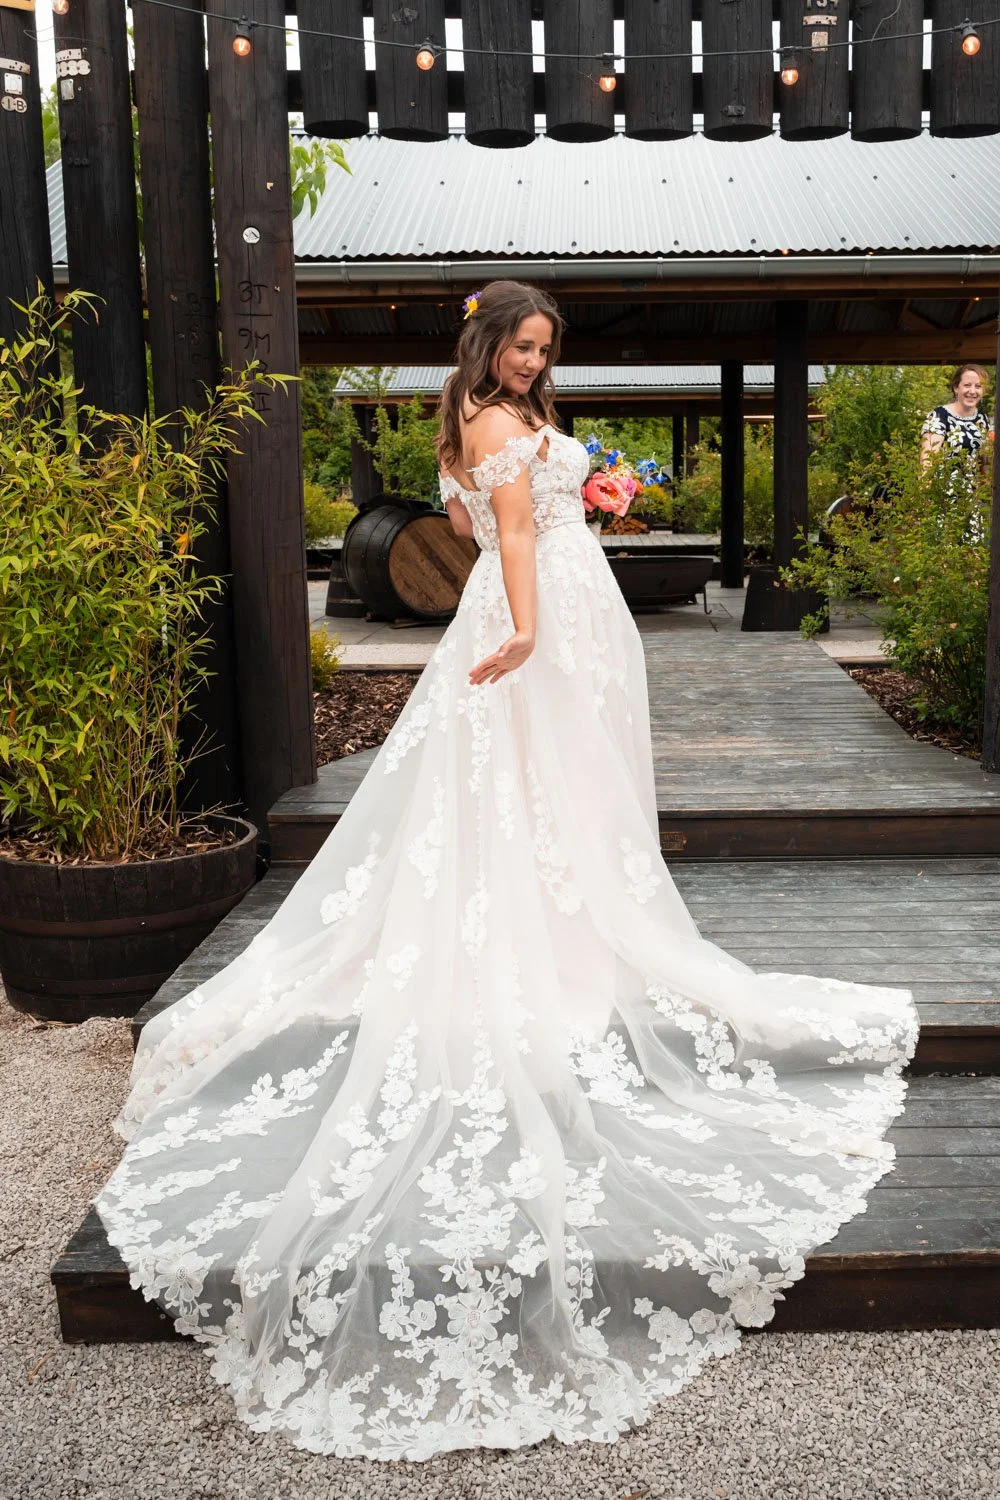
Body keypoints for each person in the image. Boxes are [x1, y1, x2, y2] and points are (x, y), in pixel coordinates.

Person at [93, 280, 919, 1462]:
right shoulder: (483, 420)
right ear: (487, 346)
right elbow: (509, 537)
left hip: (566, 601)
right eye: (522, 346)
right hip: (538, 609)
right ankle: (542, 935)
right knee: (522, 778)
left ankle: (578, 914)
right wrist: (528, 625)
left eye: (544, 349)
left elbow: (516, 518)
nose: (535, 362)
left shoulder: (504, 423)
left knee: (571, 784)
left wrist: (591, 493)